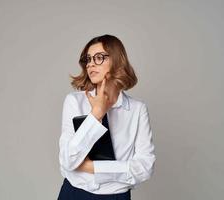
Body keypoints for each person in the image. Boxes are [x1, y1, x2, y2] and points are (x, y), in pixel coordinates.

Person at [57, 34, 156, 200]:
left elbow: (145, 167)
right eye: (88, 59)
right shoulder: (74, 101)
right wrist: (96, 114)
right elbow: (67, 160)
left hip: (116, 197)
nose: (91, 64)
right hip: (74, 193)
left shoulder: (137, 110)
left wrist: (91, 167)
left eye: (99, 57)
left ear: (117, 61)